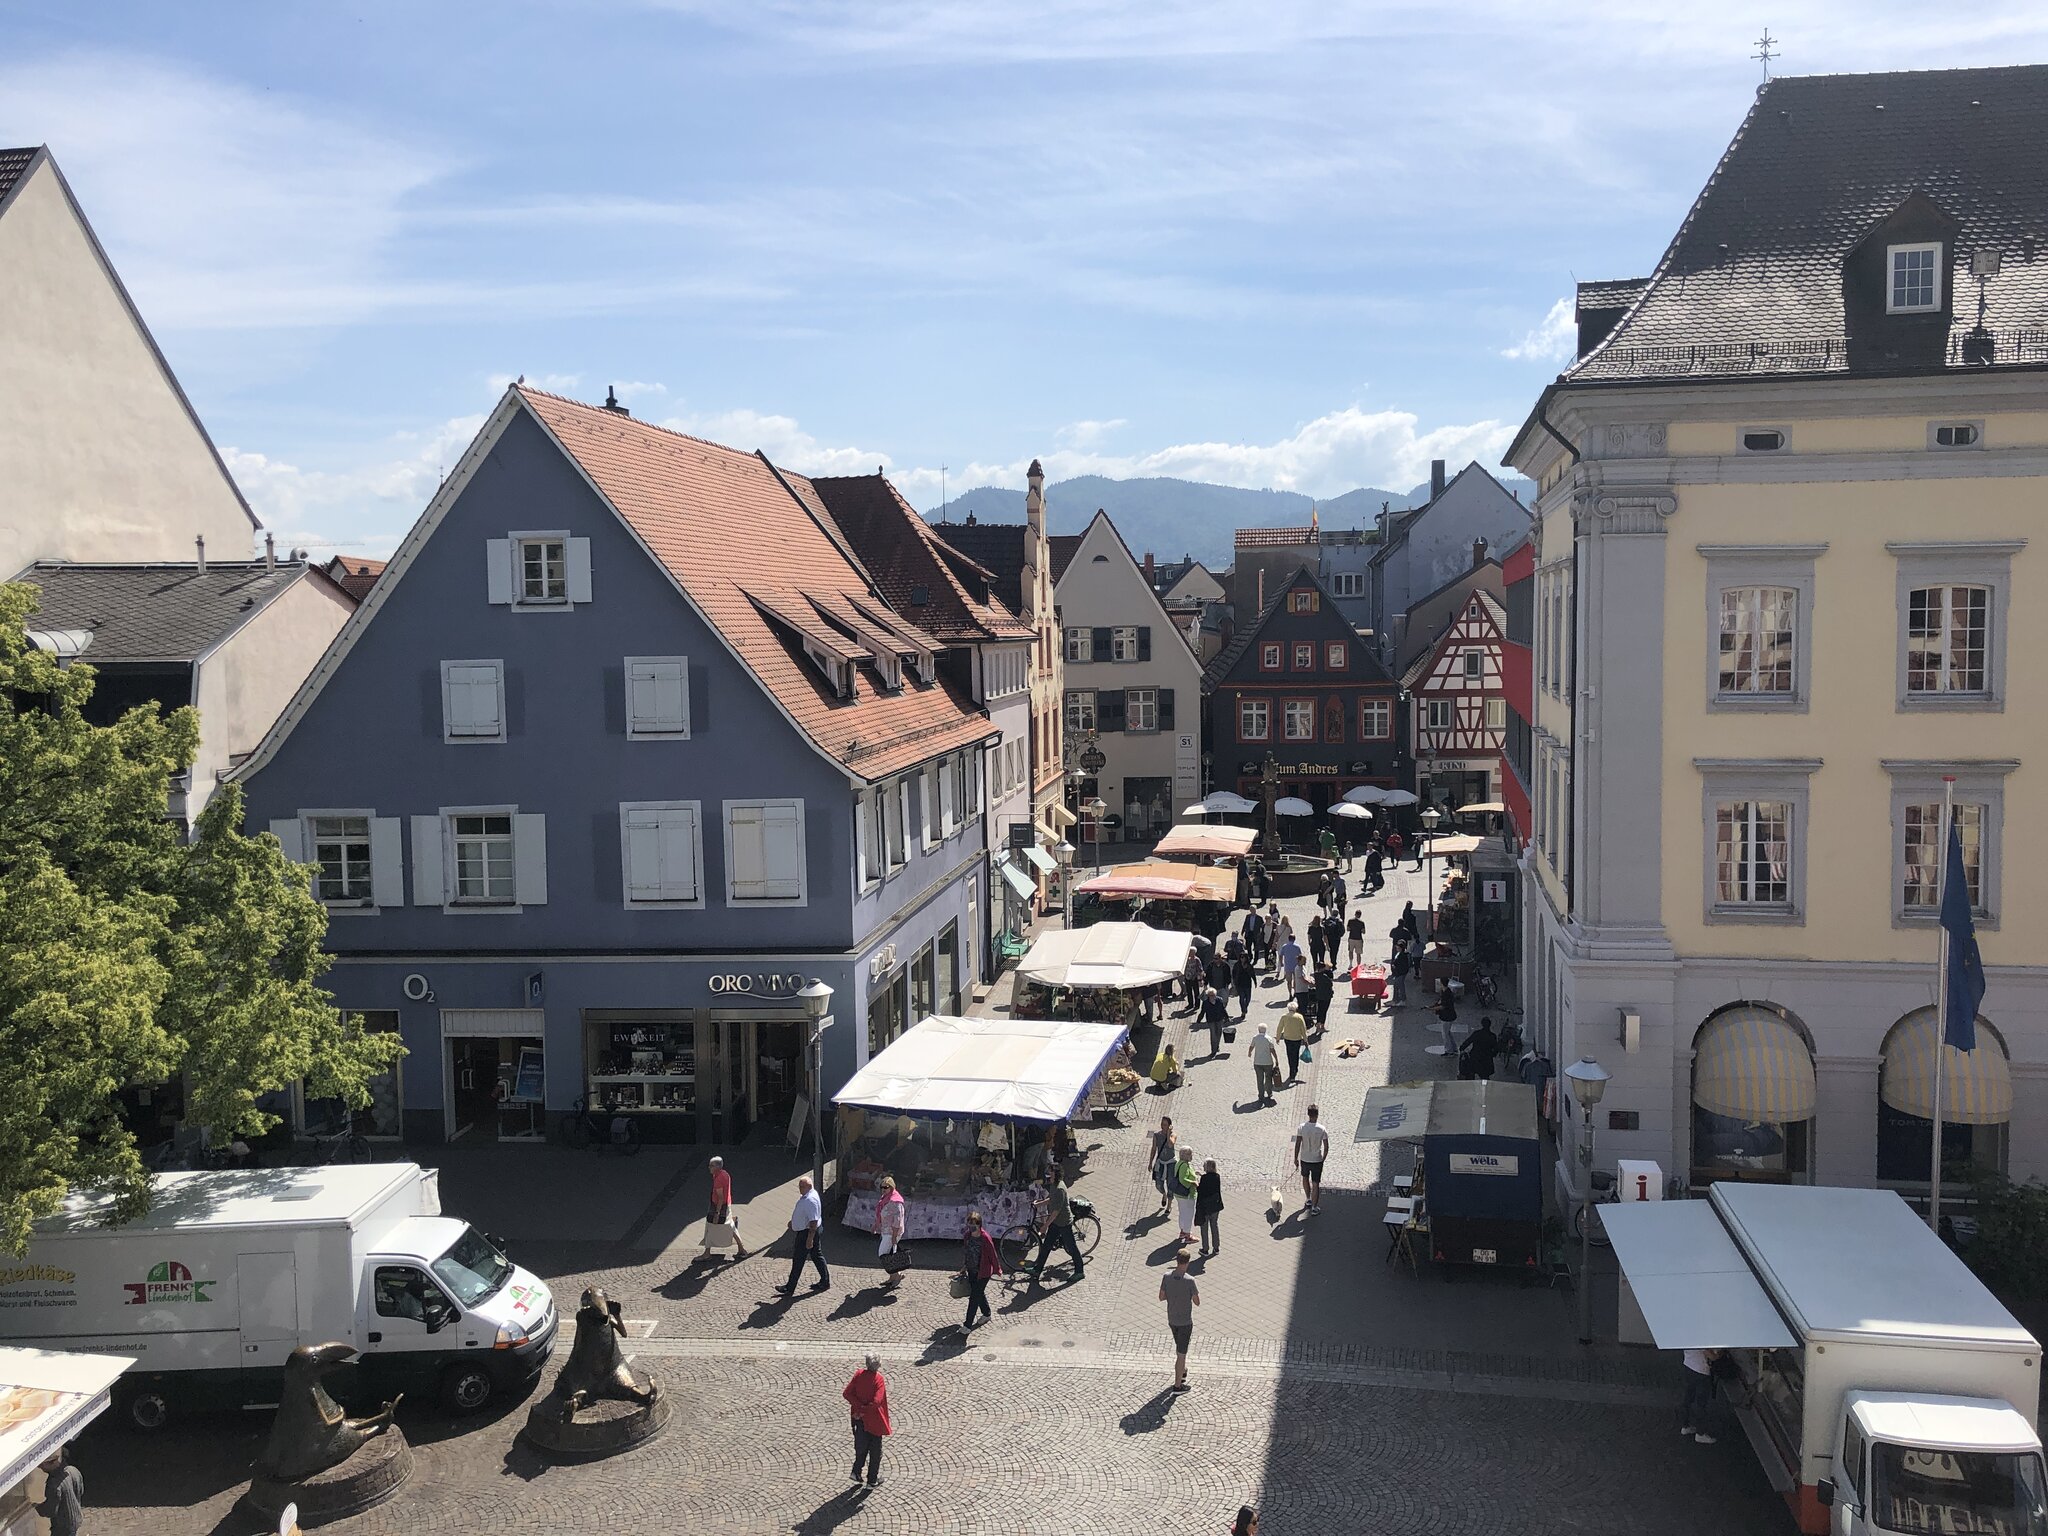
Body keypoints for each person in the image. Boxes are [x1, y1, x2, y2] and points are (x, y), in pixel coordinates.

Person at [1029, 1170, 1086, 1284]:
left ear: (1055, 1176)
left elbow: (1055, 1212)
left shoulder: (1060, 1189)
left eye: (1050, 1174)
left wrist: (1045, 1226)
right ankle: (1037, 1269)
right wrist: (1039, 1204)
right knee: (1046, 1246)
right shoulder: (1054, 1185)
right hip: (1056, 1223)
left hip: (1064, 1223)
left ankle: (1079, 1272)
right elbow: (1051, 1199)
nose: (1048, 1176)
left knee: (1072, 1247)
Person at [843, 1354, 892, 1486]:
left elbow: (847, 1393)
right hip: (874, 1420)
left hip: (859, 1419)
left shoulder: (859, 1374)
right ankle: (872, 1480)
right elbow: (876, 1402)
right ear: (878, 1365)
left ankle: (856, 1471)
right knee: (875, 1451)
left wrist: (858, 1409)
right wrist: (864, 1411)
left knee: (861, 1446)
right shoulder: (878, 1379)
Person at [779, 1175, 830, 1294]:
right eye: (799, 1186)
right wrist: (794, 1222)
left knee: (798, 1259)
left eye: (802, 1186)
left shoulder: (810, 1200)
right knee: (817, 1256)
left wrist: (809, 1239)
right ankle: (825, 1281)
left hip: (806, 1233)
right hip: (808, 1231)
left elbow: (813, 1222)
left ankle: (790, 1287)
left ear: (809, 1186)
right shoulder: (809, 1195)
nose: (799, 1189)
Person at [1159, 1250, 1200, 1391]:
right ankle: (1178, 1386)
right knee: (1181, 1354)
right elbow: (1197, 1302)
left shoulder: (1166, 1277)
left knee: (1179, 1350)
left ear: (1177, 1260)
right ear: (1187, 1262)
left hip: (1172, 1319)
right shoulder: (1190, 1280)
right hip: (1185, 1322)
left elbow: (1161, 1297)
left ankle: (1182, 1370)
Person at [960, 1210, 1001, 1330]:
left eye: (974, 1224)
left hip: (983, 1272)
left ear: (979, 1225)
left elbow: (993, 1254)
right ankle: (987, 1313)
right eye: (970, 1224)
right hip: (972, 1270)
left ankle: (967, 1325)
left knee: (974, 1298)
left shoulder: (985, 1238)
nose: (972, 1227)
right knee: (978, 1293)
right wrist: (964, 1266)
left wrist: (997, 1269)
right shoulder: (967, 1236)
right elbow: (967, 1252)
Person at [705, 1155, 751, 1259]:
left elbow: (720, 1198)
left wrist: (717, 1213)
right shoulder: (724, 1174)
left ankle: (707, 1253)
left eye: (711, 1166)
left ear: (717, 1167)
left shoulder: (718, 1180)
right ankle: (741, 1249)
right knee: (730, 1226)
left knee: (710, 1226)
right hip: (727, 1205)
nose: (709, 1167)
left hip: (719, 1206)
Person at [37, 1446, 83, 1536]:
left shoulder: (53, 1484)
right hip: (76, 1519)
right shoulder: (73, 1470)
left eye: (41, 1465)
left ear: (50, 1464)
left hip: (62, 1527)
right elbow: (80, 1491)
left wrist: (37, 1507)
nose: (40, 1468)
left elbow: (50, 1510)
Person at [1679, 1347, 1721, 1443]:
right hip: (1701, 1372)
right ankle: (1700, 1433)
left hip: (1688, 1366)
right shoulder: (1700, 1340)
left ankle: (1685, 1426)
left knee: (1687, 1399)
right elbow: (1712, 1356)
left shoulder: (1685, 1336)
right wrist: (1720, 1354)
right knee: (1701, 1404)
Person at [1294, 1104, 1330, 1214]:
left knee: (1305, 1178)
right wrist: (1323, 1158)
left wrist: (1295, 1158)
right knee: (1315, 1183)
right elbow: (1326, 1146)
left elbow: (1298, 1143)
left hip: (1305, 1158)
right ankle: (1314, 1207)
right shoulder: (1322, 1129)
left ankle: (1308, 1199)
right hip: (1316, 1159)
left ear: (1308, 1114)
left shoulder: (1301, 1127)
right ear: (1317, 1115)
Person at [875, 1175, 907, 1288]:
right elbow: (881, 1214)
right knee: (888, 1254)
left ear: (892, 1187)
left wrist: (894, 1236)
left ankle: (897, 1275)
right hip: (886, 1231)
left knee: (883, 1254)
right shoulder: (885, 1199)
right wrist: (876, 1225)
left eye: (886, 1187)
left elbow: (897, 1221)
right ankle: (892, 1277)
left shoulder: (895, 1202)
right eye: (882, 1187)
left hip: (892, 1232)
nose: (883, 1189)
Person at [1195, 1157, 1224, 1255]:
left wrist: (1196, 1183)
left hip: (1205, 1207)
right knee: (1214, 1226)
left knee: (1204, 1228)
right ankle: (1216, 1248)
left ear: (1207, 1167)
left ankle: (1205, 1249)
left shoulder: (1204, 1178)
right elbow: (1210, 1182)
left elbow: (1201, 1190)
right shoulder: (1217, 1176)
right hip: (1215, 1206)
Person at [1150, 1116, 1179, 1213]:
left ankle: (1169, 1205)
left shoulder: (1173, 1135)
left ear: (1169, 1126)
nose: (1163, 1126)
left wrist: (1168, 1134)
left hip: (1171, 1163)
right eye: (1162, 1124)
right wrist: (1150, 1162)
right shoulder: (1156, 1135)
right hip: (1161, 1162)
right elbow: (1154, 1149)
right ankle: (1164, 1194)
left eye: (1165, 1125)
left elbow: (1171, 1144)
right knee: (1158, 1184)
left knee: (1170, 1184)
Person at [1172, 1145, 1200, 1245]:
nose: (1192, 1156)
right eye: (1190, 1154)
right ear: (1187, 1155)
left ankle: (1183, 1231)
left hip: (1179, 1195)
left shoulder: (1180, 1163)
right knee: (1188, 1214)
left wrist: (1194, 1173)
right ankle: (1187, 1235)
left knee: (1182, 1213)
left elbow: (1184, 1174)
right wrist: (1193, 1183)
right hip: (1186, 1195)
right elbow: (1182, 1179)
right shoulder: (1184, 1165)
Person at [1460, 1015, 1501, 1082]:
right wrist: (1492, 1055)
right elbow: (1496, 1048)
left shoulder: (1477, 1033)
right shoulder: (1492, 1036)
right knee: (1485, 1077)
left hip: (1475, 1058)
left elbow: (1468, 1041)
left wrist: (1462, 1048)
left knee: (1471, 1074)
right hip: (1486, 1060)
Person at [1276, 1004, 1308, 1083]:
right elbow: (1303, 1029)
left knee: (1290, 1055)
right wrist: (1305, 1039)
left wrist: (1278, 1037)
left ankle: (1291, 1072)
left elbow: (1280, 1027)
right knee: (1296, 1054)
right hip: (1297, 1039)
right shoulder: (1299, 1017)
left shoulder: (1284, 1017)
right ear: (1296, 1008)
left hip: (1288, 1039)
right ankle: (1295, 1069)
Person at [1247, 1025, 1279, 1105]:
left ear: (1258, 1030)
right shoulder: (1269, 1038)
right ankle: (1269, 1093)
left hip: (1257, 1062)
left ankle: (1261, 1096)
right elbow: (1272, 1050)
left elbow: (1251, 1046)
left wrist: (1249, 1052)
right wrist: (1276, 1059)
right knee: (1268, 1078)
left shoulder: (1255, 1038)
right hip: (1268, 1062)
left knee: (1259, 1080)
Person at [1201, 984, 1230, 1059]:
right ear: (1208, 996)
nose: (1212, 997)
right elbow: (1202, 1012)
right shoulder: (1205, 1003)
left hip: (1219, 1019)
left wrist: (1227, 1017)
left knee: (1219, 1033)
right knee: (1213, 1035)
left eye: (1213, 995)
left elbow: (1223, 1009)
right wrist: (1199, 1020)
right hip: (1211, 1020)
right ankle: (1213, 1051)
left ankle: (1217, 1046)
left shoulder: (1219, 1000)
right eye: (1210, 995)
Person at [1389, 937, 1414, 1007]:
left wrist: (1395, 966)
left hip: (1400, 973)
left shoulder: (1403, 955)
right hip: (1399, 973)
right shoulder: (1401, 953)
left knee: (1400, 986)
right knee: (1396, 986)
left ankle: (1402, 1000)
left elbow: (1402, 965)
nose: (1396, 948)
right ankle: (1395, 1000)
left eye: (1398, 947)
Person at [1279, 932, 1305, 998]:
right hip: (1295, 966)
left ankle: (1290, 993)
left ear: (1288, 939)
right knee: (1295, 980)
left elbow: (1280, 955)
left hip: (1287, 966)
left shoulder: (1284, 946)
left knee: (1289, 981)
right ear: (1294, 939)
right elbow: (1300, 956)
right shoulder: (1297, 947)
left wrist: (1281, 962)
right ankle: (1295, 992)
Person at [1230, 952, 1255, 1020]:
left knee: (1248, 999)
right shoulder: (1237, 965)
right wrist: (1234, 982)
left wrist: (1255, 982)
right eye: (1241, 957)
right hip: (1239, 984)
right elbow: (1233, 973)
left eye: (1243, 957)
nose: (1242, 959)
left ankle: (1245, 1008)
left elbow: (1252, 974)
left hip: (1247, 984)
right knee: (1241, 998)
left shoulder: (1249, 965)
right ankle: (1243, 1011)